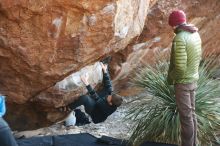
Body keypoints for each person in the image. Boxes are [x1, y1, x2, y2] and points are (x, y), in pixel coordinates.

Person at [167, 10, 202, 146]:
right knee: (192, 115)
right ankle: (193, 144)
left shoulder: (180, 38)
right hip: (193, 79)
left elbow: (180, 67)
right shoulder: (195, 34)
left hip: (183, 83)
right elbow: (198, 57)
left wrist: (171, 78)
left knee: (186, 119)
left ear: (174, 24)